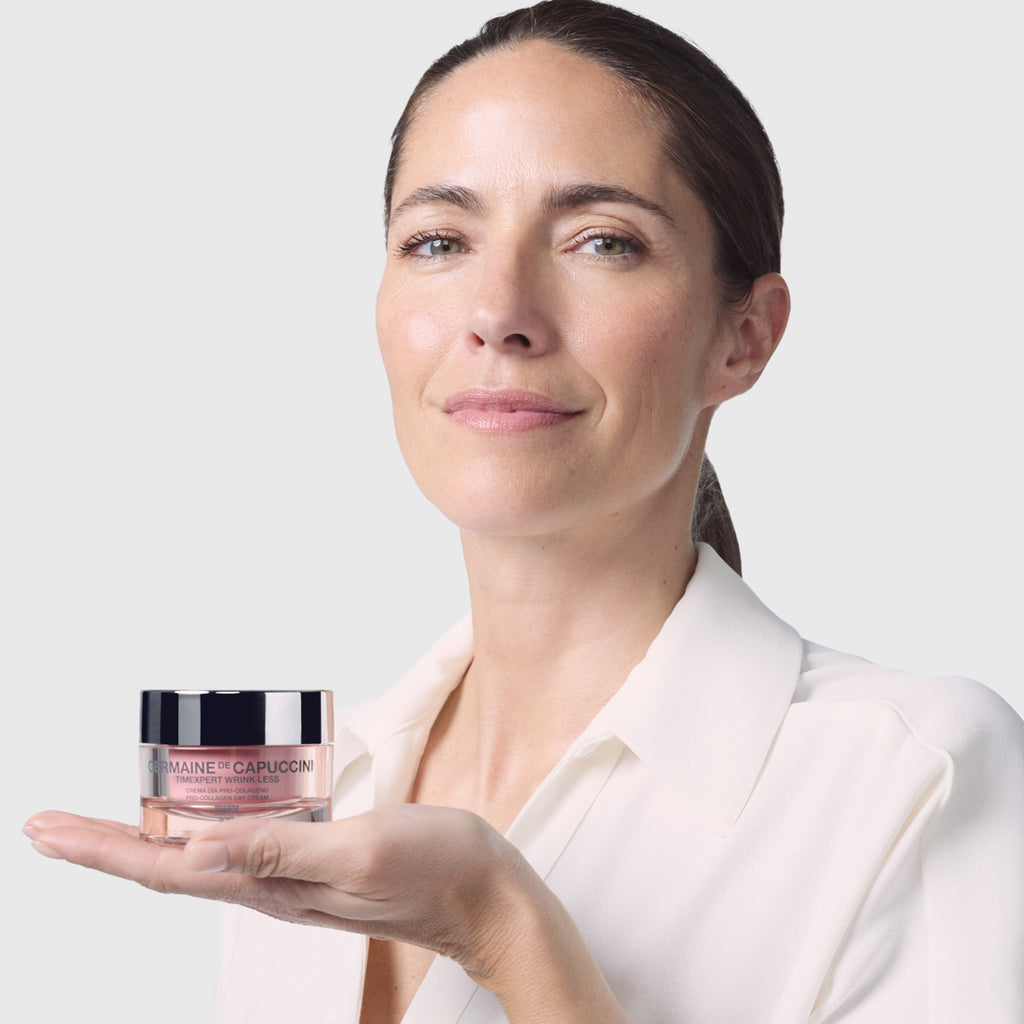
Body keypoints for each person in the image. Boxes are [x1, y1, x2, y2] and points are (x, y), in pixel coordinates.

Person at [23, 2, 1024, 1021]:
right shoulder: (317, 793)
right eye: (438, 240)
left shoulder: (912, 773)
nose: (498, 310)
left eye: (601, 241)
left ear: (744, 337)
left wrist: (500, 922)